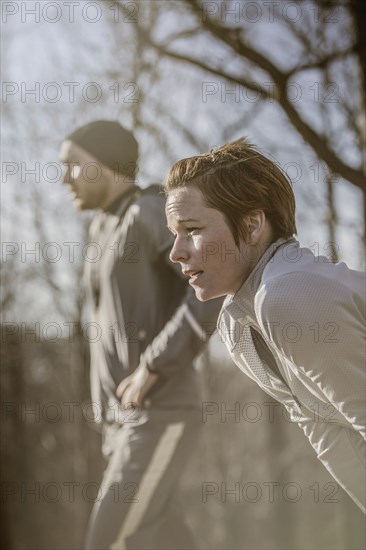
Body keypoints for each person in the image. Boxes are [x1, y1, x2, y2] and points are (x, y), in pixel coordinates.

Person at [164, 137, 366, 514]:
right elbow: (327, 434)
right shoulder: (237, 326)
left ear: (253, 223)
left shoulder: (289, 293)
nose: (176, 252)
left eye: (191, 229)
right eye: (174, 234)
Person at [59, 120, 223, 549]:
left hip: (159, 413)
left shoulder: (149, 211)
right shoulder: (101, 229)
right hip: (121, 425)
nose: (63, 178)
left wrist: (154, 364)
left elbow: (209, 289)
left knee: (106, 541)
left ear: (104, 163)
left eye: (72, 165)